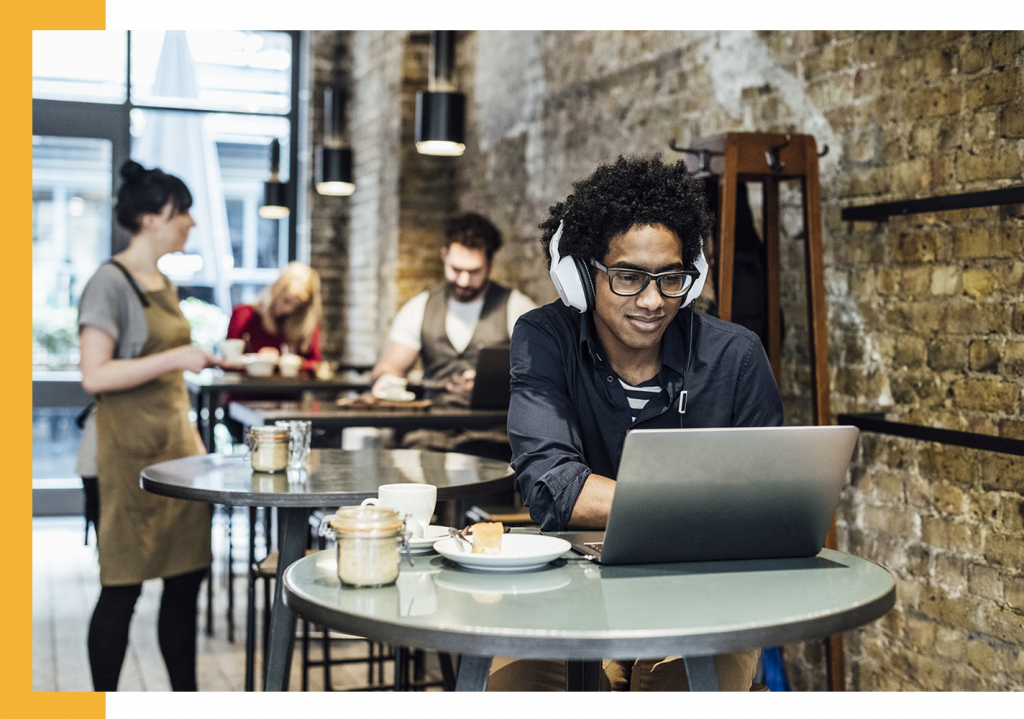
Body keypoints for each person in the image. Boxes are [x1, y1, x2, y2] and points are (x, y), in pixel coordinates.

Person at [497, 155, 784, 692]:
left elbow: (763, 507)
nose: (653, 301)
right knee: (518, 684)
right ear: (581, 276)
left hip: (705, 595)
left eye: (670, 278)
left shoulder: (736, 356)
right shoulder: (544, 338)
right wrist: (703, 501)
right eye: (629, 277)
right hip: (573, 593)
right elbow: (553, 488)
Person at [78, 160, 224, 692]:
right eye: (180, 211)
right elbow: (94, 374)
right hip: (125, 460)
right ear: (149, 218)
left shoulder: (161, 279)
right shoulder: (107, 282)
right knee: (123, 587)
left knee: (186, 581)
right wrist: (177, 357)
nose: (189, 222)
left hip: (176, 454)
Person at [371, 213, 538, 457]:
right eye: (456, 269)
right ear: (444, 256)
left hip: (493, 437)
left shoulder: (518, 308)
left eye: (474, 271)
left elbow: (542, 381)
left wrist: (491, 388)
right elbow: (390, 368)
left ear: (491, 263)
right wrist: (386, 379)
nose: (463, 280)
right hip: (428, 436)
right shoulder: (419, 308)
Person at [226, 261, 323, 370]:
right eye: (286, 301)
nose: (289, 309)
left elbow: (316, 364)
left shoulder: (305, 322)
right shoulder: (243, 315)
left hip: (289, 386)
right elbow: (228, 364)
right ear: (276, 289)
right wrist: (258, 361)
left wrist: (293, 362)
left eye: (297, 307)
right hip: (251, 386)